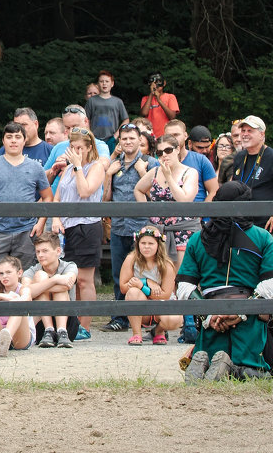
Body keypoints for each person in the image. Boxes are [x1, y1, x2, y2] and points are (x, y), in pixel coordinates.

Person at [176, 182, 273, 382]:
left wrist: (209, 315)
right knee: (265, 373)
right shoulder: (262, 237)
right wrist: (240, 312)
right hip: (250, 321)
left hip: (212, 321)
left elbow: (185, 288)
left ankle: (204, 364)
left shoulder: (196, 239)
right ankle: (232, 370)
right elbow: (272, 286)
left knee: (210, 355)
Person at [47, 126, 104, 340]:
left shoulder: (95, 167)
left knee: (85, 279)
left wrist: (79, 166)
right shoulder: (69, 169)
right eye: (72, 147)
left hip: (88, 225)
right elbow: (58, 196)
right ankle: (73, 323)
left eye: (79, 147)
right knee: (71, 277)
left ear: (89, 148)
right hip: (69, 227)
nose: (75, 151)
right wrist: (56, 217)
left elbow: (85, 191)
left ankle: (85, 326)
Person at [0, 123, 52, 274]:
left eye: (17, 137)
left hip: (26, 232)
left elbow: (48, 197)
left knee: (26, 278)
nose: (13, 141)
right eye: (9, 137)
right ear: (3, 141)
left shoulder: (36, 168)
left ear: (24, 140)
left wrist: (40, 223)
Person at [100, 123, 156, 332]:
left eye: (132, 138)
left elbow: (155, 197)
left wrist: (143, 173)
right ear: (120, 142)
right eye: (124, 139)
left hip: (143, 229)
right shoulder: (115, 165)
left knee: (147, 273)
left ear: (139, 139)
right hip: (118, 227)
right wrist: (107, 175)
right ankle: (119, 317)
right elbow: (105, 200)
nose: (128, 142)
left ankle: (150, 319)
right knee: (118, 275)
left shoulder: (150, 163)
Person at [134, 134, 200, 268]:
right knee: (159, 276)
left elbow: (185, 201)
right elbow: (138, 189)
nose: (164, 155)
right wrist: (149, 211)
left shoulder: (190, 172)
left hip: (183, 231)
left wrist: (169, 177)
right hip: (158, 231)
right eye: (159, 153)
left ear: (177, 149)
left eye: (168, 150)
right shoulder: (154, 171)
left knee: (181, 276)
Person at [229, 115, 273, 234]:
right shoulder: (239, 157)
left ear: (262, 134)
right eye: (243, 130)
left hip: (265, 226)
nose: (245, 134)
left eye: (250, 131)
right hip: (240, 222)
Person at [119, 225, 182, 345]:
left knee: (175, 320)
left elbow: (166, 294)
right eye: (143, 243)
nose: (146, 247)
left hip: (161, 305)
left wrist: (143, 286)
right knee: (132, 292)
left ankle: (158, 332)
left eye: (151, 243)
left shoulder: (166, 265)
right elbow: (123, 287)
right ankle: (137, 334)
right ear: (138, 244)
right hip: (141, 305)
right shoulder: (131, 259)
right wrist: (144, 282)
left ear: (158, 245)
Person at [23, 233, 78, 348]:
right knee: (40, 275)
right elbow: (25, 291)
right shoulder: (31, 271)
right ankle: (49, 330)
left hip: (68, 322)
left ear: (58, 251)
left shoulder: (70, 266)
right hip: (40, 323)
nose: (40, 255)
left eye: (45, 251)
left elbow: (66, 285)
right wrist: (55, 280)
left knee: (59, 290)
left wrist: (39, 287)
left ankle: (62, 332)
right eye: (38, 252)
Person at [165, 119, 218, 202]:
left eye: (176, 135)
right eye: (169, 136)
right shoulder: (161, 162)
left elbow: (214, 191)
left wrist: (202, 212)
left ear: (185, 136)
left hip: (197, 211)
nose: (173, 139)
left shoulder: (201, 160)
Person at [84, 70, 128, 149]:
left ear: (112, 84)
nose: (104, 83)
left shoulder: (118, 101)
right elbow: (86, 119)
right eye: (101, 81)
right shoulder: (91, 101)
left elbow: (126, 120)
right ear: (98, 84)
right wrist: (89, 135)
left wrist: (116, 135)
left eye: (107, 81)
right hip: (94, 138)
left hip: (111, 139)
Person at [139, 73, 178, 139]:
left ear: (164, 83)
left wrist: (159, 100)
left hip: (165, 135)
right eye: (153, 83)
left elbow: (172, 116)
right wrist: (151, 94)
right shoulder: (145, 99)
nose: (156, 85)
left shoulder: (170, 97)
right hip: (149, 136)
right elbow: (144, 113)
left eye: (158, 82)